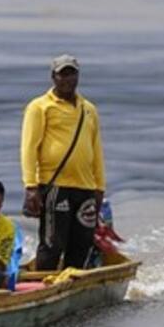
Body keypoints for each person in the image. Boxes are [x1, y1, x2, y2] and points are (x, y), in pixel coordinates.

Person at [20, 54, 106, 271]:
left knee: (82, 243)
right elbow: (29, 147)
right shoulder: (40, 107)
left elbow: (96, 149)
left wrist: (99, 187)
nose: (67, 79)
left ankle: (72, 286)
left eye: (72, 73)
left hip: (85, 187)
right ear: (53, 77)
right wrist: (31, 186)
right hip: (55, 185)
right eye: (63, 74)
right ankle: (42, 286)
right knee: (52, 243)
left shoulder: (89, 109)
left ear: (78, 76)